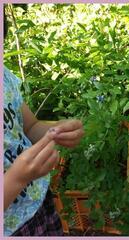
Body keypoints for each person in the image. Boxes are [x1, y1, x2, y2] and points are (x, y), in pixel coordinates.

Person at [4, 9, 84, 236]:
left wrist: (58, 130)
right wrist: (16, 178)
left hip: (38, 200)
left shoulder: (4, 78)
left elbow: (29, 126)